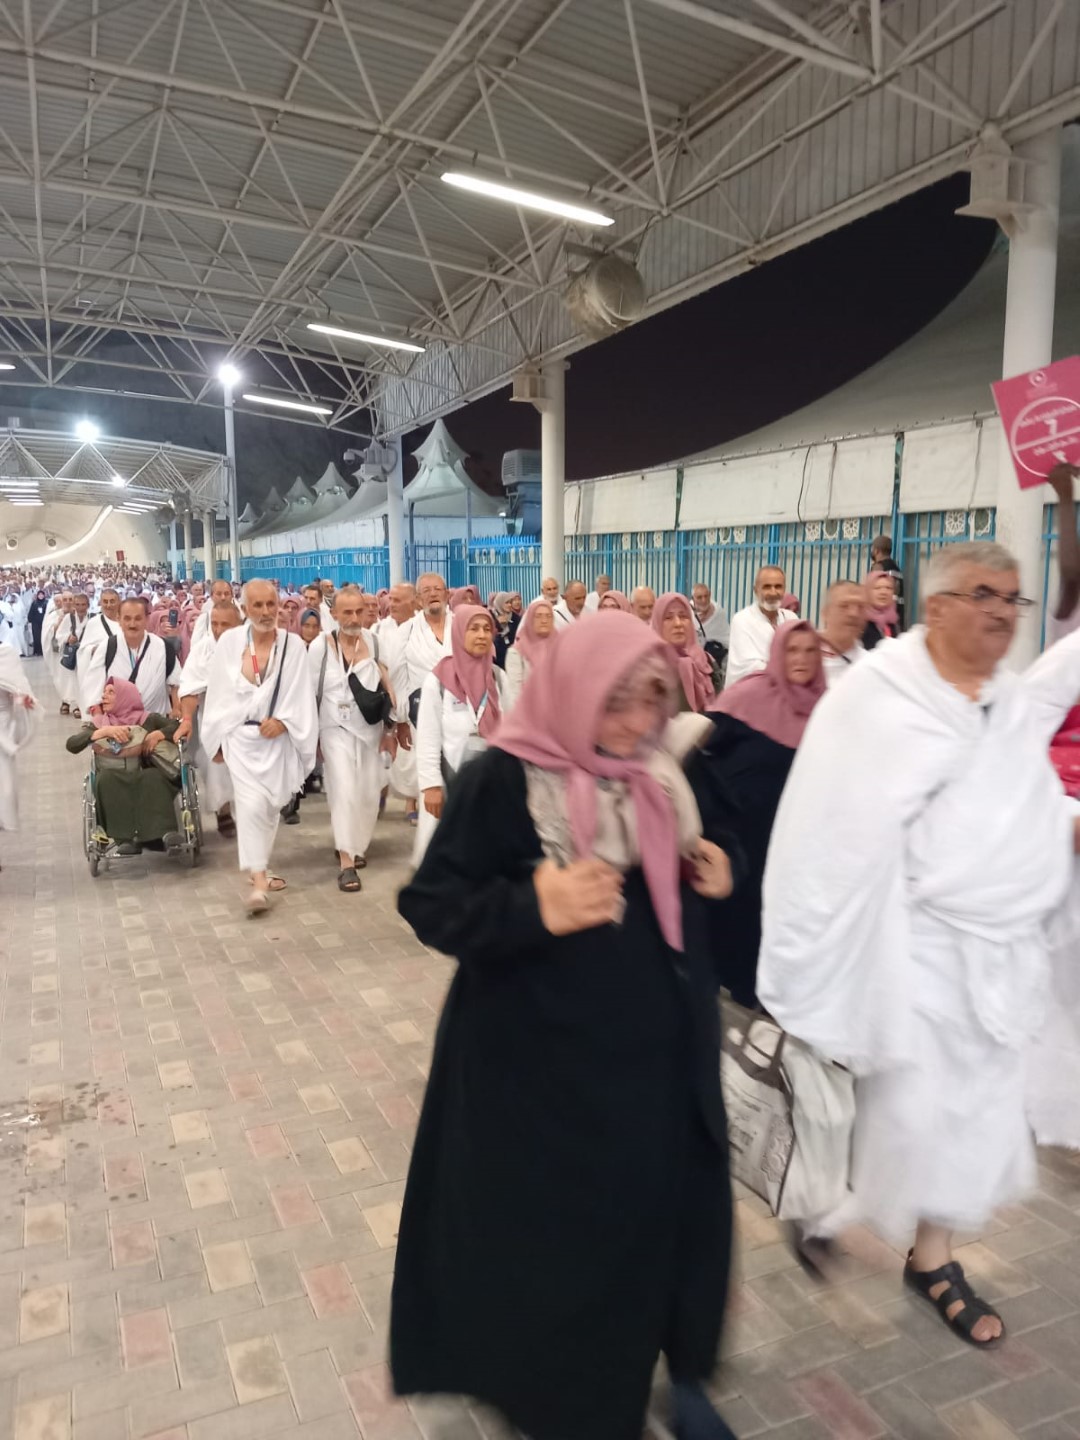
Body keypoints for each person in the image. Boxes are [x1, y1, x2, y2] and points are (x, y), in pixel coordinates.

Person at [393, 612, 737, 1440]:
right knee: (563, 1247)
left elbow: (695, 868)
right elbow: (431, 903)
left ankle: (677, 1369)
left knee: (665, 1219)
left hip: (658, 1064)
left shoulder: (663, 772)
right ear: (573, 688)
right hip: (540, 1080)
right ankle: (573, 1406)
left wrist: (721, 872)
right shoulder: (504, 779)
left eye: (651, 696)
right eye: (615, 699)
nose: (636, 717)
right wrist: (532, 905)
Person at [758, 542, 1080, 1348]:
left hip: (994, 956)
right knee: (903, 1111)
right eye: (984, 595)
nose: (1003, 613)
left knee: (972, 1116)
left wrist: (1052, 843)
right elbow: (826, 833)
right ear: (936, 608)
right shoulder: (879, 695)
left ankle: (929, 1256)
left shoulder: (1008, 701)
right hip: (908, 950)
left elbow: (1031, 807)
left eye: (1013, 598)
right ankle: (831, 1203)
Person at [691, 621, 825, 1005]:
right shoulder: (747, 697)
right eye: (792, 650)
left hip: (793, 842)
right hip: (742, 836)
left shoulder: (826, 709)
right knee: (742, 919)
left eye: (810, 651)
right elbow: (701, 752)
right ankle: (739, 993)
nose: (801, 659)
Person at [200, 579, 318, 914]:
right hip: (240, 739)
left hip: (277, 740)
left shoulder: (292, 645)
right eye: (258, 605)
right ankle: (259, 882)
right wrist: (215, 738)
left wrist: (283, 722)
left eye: (271, 604)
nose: (266, 612)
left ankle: (258, 866)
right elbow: (219, 694)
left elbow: (301, 693)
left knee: (269, 807)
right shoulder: (230, 643)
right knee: (250, 805)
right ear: (245, 609)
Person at [309, 586, 396, 893]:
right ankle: (346, 861)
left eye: (359, 611)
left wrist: (391, 731)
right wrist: (310, 738)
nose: (355, 618)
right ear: (334, 614)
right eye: (347, 612)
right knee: (343, 788)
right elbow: (309, 693)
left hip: (369, 729)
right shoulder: (320, 647)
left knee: (368, 792)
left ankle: (356, 845)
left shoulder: (375, 642)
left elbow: (389, 688)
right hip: (333, 728)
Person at [414, 605, 507, 864]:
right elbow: (428, 738)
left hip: (489, 783)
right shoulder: (438, 681)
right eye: (473, 629)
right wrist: (431, 786)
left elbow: (512, 733)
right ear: (458, 633)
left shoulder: (498, 678)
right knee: (445, 855)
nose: (482, 635)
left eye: (487, 629)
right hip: (449, 780)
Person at [67, 678, 183, 856]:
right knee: (105, 780)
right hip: (113, 774)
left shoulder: (147, 719)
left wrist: (159, 734)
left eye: (111, 692)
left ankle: (164, 833)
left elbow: (177, 725)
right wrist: (104, 732)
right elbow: (72, 744)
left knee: (153, 777)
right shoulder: (98, 723)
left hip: (143, 772)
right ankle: (125, 839)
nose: (104, 696)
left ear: (125, 697)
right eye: (104, 692)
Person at [175, 604, 243, 839]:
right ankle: (223, 810)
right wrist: (187, 719)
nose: (219, 629)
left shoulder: (251, 646)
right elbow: (190, 688)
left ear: (239, 625)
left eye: (225, 624)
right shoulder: (203, 650)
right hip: (214, 723)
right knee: (215, 767)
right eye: (214, 624)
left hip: (247, 722)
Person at [391, 573, 452, 826]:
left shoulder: (461, 625)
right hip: (422, 714)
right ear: (418, 599)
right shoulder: (406, 631)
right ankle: (431, 830)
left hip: (459, 713)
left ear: (447, 594)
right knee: (430, 772)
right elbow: (398, 677)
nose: (433, 594)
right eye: (426, 591)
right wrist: (401, 720)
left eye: (437, 589)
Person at [83, 597, 179, 719]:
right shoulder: (108, 647)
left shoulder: (163, 647)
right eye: (127, 618)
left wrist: (177, 710)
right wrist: (100, 721)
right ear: (119, 619)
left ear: (147, 619)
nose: (132, 624)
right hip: (116, 725)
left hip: (155, 724)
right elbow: (93, 688)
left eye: (138, 618)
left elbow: (176, 683)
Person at [723, 566, 797, 687]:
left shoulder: (791, 619)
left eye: (778, 586)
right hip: (750, 694)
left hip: (786, 692)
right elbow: (749, 667)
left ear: (784, 590)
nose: (773, 592)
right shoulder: (742, 619)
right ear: (756, 590)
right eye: (767, 587)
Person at [0, 640, 38, 866]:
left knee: (3, 790)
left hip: (2, 728)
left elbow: (20, 690)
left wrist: (23, 701)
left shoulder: (5, 654)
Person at [652, 594, 715, 712]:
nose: (678, 624)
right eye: (668, 618)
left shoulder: (706, 662)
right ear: (658, 623)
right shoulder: (648, 668)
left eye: (683, 616)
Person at [504, 599, 555, 709]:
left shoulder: (560, 647)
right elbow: (515, 693)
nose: (544, 620)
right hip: (530, 711)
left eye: (548, 616)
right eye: (538, 616)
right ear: (530, 619)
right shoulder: (517, 652)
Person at [818, 579, 868, 684]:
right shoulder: (800, 658)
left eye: (860, 607)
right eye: (844, 606)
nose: (854, 613)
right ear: (825, 613)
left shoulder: (869, 665)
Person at [869, 534, 905, 628]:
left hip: (882, 621)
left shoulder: (878, 567)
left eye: (872, 548)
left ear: (877, 550)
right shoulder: (897, 569)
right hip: (897, 620)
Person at [863, 570, 900, 650]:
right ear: (867, 591)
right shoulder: (860, 622)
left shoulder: (893, 621)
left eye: (888, 588)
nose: (883, 592)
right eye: (877, 588)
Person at [690, 583, 730, 654]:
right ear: (693, 598)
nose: (704, 600)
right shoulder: (687, 612)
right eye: (699, 597)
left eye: (706, 596)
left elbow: (726, 638)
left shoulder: (717, 612)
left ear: (710, 595)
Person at [27, 590, 48, 656]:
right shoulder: (34, 603)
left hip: (44, 622)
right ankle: (37, 651)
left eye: (42, 595)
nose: (41, 596)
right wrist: (30, 619)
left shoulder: (46, 603)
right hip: (35, 623)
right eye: (39, 595)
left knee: (43, 636)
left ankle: (43, 651)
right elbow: (31, 612)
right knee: (36, 637)